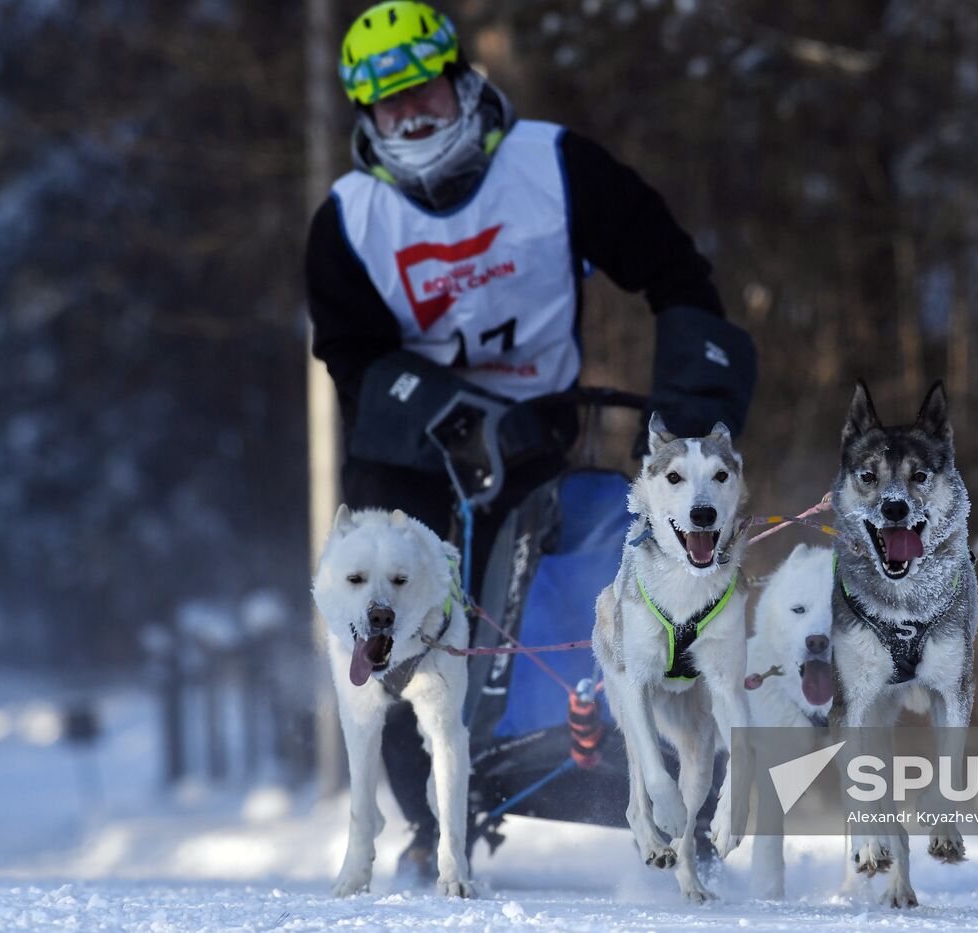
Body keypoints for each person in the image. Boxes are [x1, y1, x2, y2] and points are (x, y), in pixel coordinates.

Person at [305, 1, 755, 877]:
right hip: (409, 450)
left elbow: (675, 271)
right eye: (388, 103)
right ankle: (434, 823)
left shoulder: (553, 165)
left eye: (423, 89)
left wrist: (694, 405)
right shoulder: (348, 219)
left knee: (636, 577)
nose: (412, 113)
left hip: (542, 430)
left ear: (458, 78)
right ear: (365, 114)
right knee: (402, 625)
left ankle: (674, 791)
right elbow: (351, 357)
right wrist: (454, 416)